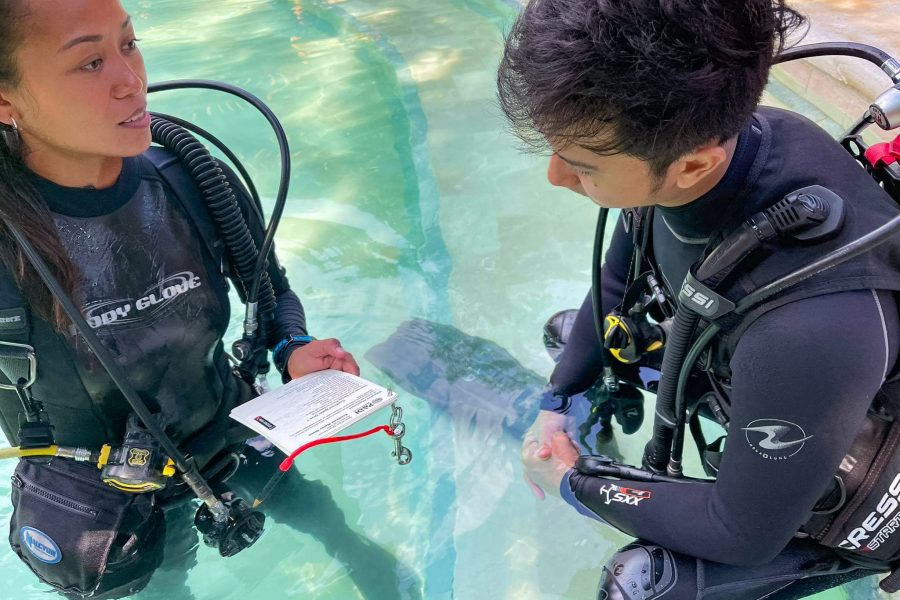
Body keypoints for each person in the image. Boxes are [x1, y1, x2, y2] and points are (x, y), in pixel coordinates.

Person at [0, 1, 418, 598]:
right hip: (106, 504)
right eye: (90, 63)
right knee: (166, 586)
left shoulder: (190, 178)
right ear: (6, 100)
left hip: (228, 428)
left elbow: (269, 291)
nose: (130, 79)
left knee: (321, 515)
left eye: (129, 44)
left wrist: (293, 348)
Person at [498, 1, 900, 599]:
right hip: (766, 377)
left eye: (582, 167)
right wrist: (556, 402)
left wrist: (573, 482)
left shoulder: (809, 330)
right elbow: (617, 280)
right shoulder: (701, 141)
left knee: (642, 586)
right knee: (575, 338)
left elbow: (741, 532)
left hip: (866, 481)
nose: (556, 177)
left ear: (692, 166)